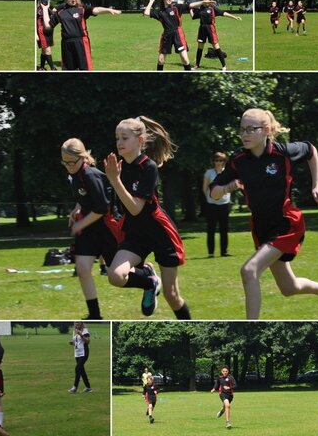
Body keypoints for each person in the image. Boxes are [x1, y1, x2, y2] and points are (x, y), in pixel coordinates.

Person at [209, 108, 318, 320]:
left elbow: (310, 150)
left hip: (286, 223)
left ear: (266, 130)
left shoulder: (283, 153)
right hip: (261, 227)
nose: (245, 134)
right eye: (242, 129)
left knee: (248, 270)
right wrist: (228, 187)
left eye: (251, 129)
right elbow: (213, 192)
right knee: (289, 287)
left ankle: (251, 329)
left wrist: (317, 184)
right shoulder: (238, 160)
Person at [103, 116, 191, 319]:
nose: (119, 143)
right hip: (135, 233)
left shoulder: (148, 167)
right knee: (115, 276)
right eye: (117, 138)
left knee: (172, 295)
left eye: (125, 138)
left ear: (140, 141)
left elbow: (135, 208)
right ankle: (149, 281)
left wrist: (115, 181)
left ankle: (189, 326)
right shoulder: (119, 166)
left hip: (159, 233)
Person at [61, 138, 158, 320]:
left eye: (71, 162)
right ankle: (95, 315)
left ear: (82, 158)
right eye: (64, 162)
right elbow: (84, 196)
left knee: (117, 276)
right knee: (82, 269)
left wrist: (80, 223)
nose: (68, 166)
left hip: (107, 228)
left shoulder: (90, 175)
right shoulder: (73, 173)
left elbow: (102, 207)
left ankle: (148, 279)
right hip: (89, 231)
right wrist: (77, 208)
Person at [40, 0, 121, 70]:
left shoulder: (82, 9)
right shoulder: (60, 12)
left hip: (81, 42)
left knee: (85, 69)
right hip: (66, 44)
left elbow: (96, 9)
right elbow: (48, 26)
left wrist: (108, 10)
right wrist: (45, 9)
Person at [144, 0, 212, 71]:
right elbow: (146, 13)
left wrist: (203, 2)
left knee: (185, 60)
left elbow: (190, 5)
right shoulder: (160, 12)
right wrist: (151, 1)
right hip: (166, 35)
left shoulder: (177, 7)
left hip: (178, 34)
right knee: (160, 60)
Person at [191, 0, 241, 70]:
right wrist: (190, 9)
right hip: (202, 29)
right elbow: (193, 17)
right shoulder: (200, 9)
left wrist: (235, 17)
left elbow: (223, 13)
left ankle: (224, 66)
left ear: (210, 0)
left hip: (210, 28)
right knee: (200, 48)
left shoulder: (213, 8)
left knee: (216, 47)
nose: (206, 1)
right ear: (202, 0)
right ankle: (197, 65)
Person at [203, 152, 231, 257]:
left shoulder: (227, 173)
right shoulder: (209, 173)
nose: (219, 163)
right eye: (217, 160)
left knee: (224, 229)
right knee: (211, 228)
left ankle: (224, 251)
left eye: (221, 160)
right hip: (211, 204)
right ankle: (211, 253)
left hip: (224, 203)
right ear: (213, 162)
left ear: (224, 162)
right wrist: (209, 198)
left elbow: (230, 186)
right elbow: (204, 188)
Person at [69, 321, 92, 393]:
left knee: (77, 368)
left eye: (78, 322)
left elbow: (88, 341)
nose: (77, 324)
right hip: (77, 353)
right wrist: (72, 343)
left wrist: (81, 335)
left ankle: (74, 387)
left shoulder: (85, 330)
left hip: (84, 352)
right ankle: (88, 387)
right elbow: (75, 342)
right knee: (81, 370)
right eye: (75, 322)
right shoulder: (74, 331)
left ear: (81, 323)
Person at [36, 0, 56, 70]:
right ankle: (52, 68)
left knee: (44, 51)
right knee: (47, 50)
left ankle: (41, 67)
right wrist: (35, 34)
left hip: (48, 33)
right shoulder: (38, 10)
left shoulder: (47, 9)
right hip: (42, 32)